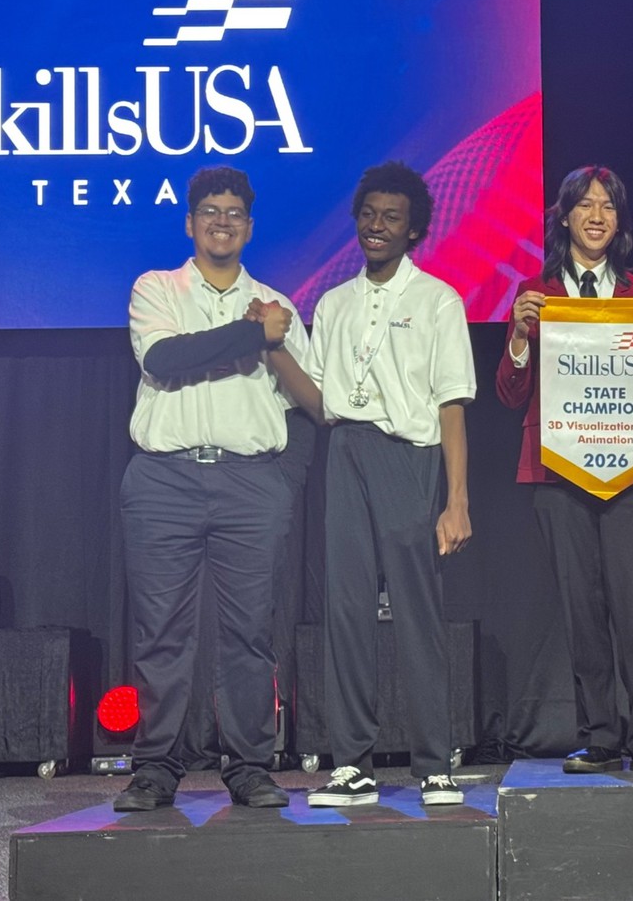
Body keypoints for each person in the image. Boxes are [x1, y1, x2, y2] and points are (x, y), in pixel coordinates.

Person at [278, 161, 475, 808]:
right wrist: (272, 349)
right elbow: (319, 402)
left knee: (416, 610)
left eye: (391, 217)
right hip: (345, 452)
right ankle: (352, 764)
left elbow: (451, 404)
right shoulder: (333, 303)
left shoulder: (438, 300)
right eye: (368, 215)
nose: (376, 226)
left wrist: (456, 500)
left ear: (414, 229)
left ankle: (434, 762)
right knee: (346, 609)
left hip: (409, 456)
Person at [115, 166, 307, 812]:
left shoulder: (276, 304)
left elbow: (310, 398)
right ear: (190, 223)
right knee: (161, 631)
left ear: (249, 227)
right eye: (210, 212)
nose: (222, 222)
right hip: (163, 477)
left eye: (233, 213)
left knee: (250, 633)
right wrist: (254, 335)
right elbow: (164, 359)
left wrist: (273, 340)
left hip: (250, 480)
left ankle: (249, 766)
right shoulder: (157, 288)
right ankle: (154, 768)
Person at [495, 165, 633, 774]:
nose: (597, 215)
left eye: (608, 206)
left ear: (619, 221)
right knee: (582, 609)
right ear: (564, 217)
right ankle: (600, 735)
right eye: (585, 205)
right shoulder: (537, 292)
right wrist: (519, 338)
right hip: (560, 473)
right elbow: (509, 393)